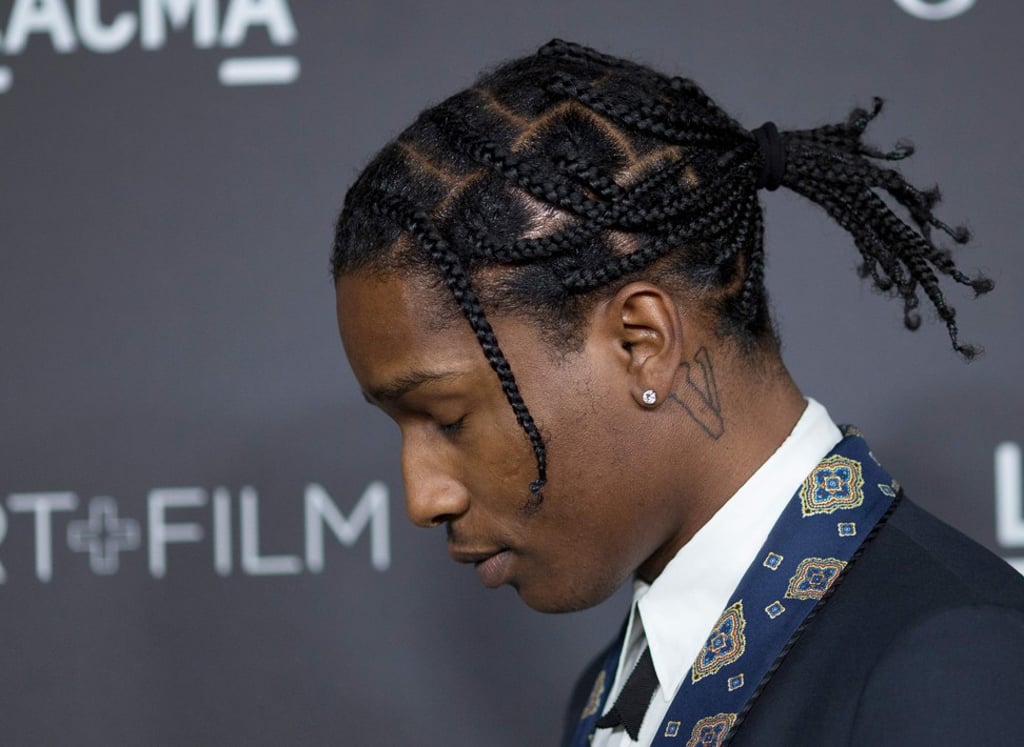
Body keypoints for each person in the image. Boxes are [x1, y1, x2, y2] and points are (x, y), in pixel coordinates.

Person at [330, 39, 1024, 746]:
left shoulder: (954, 666)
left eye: (447, 418)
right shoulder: (617, 691)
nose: (423, 498)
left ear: (643, 343)